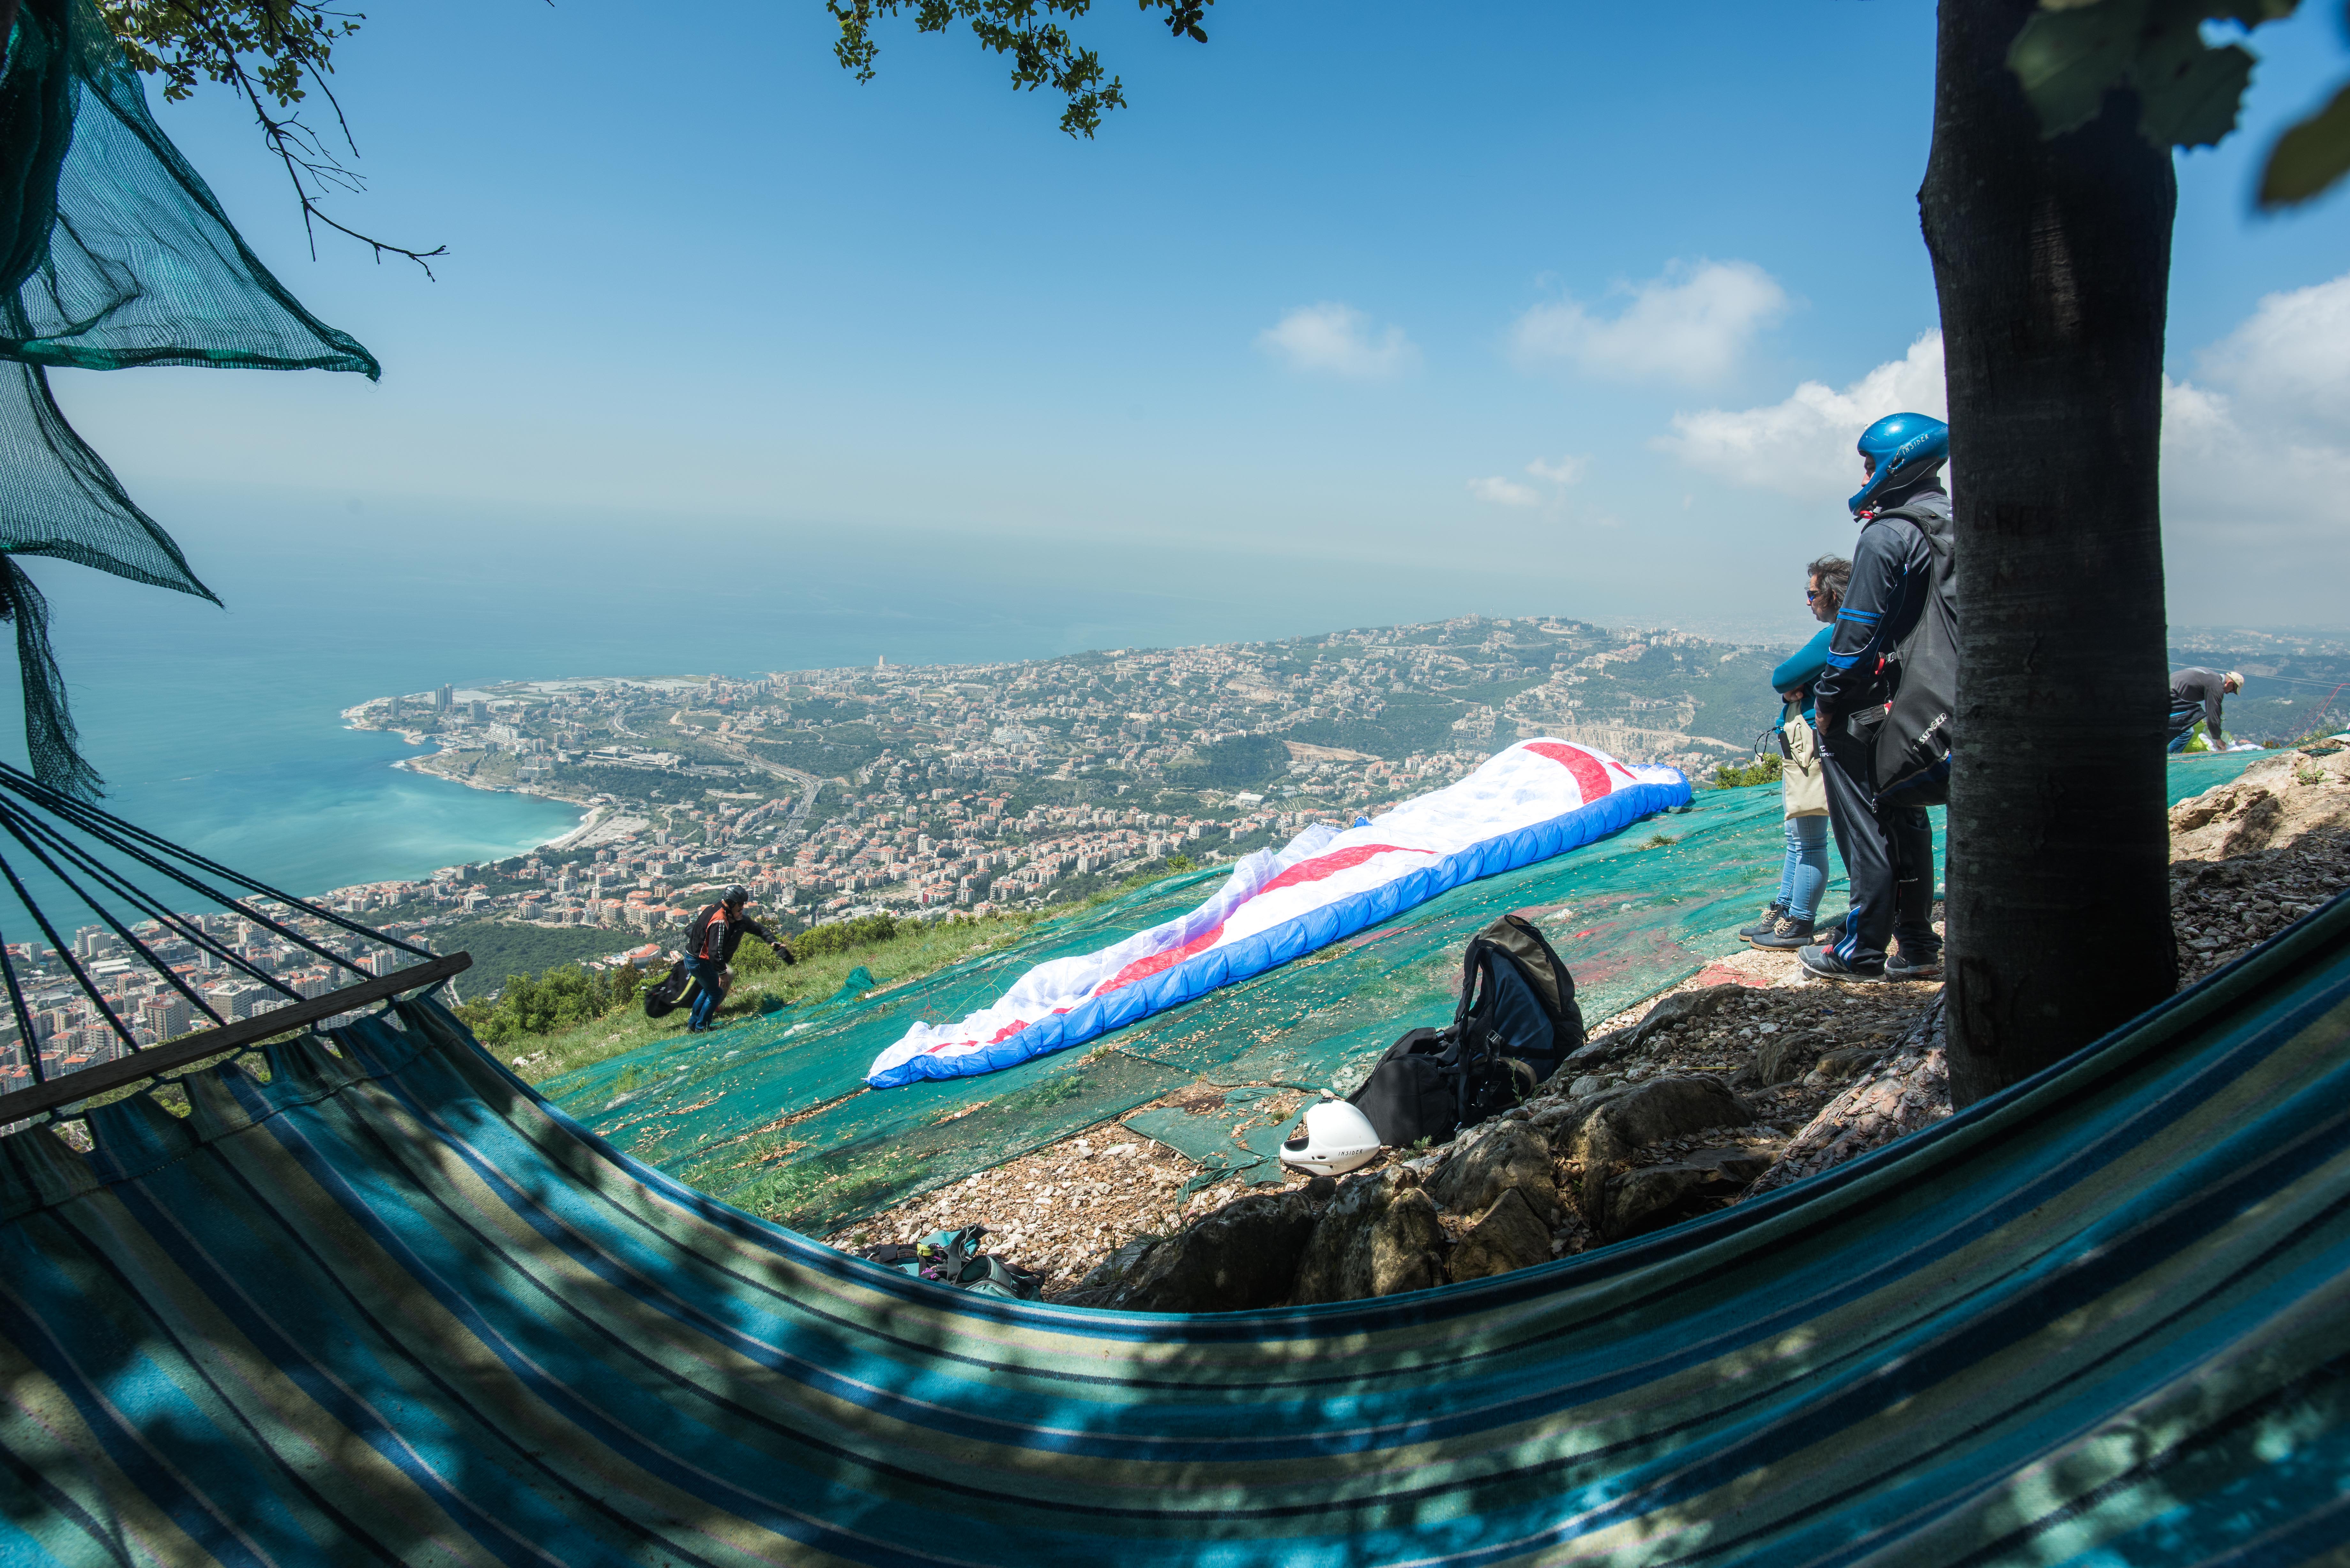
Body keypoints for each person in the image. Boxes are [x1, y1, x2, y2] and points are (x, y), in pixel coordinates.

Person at [1801, 412, 1951, 984]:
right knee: (1906, 814)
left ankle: (1860, 948)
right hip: (1942, 703)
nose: (1865, 476)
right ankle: (1916, 943)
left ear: (1896, 464)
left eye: (1869, 464)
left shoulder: (1889, 533)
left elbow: (1856, 633)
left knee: (1865, 822)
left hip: (1884, 704)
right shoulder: (1952, 521)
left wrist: (1828, 702)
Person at [1741, 554, 1850, 950]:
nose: (1808, 601)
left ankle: (1799, 920)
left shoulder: (1834, 634)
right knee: (1798, 834)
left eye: (1813, 594)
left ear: (1833, 595)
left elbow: (1782, 676)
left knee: (1808, 838)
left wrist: (1794, 689)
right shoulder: (1858, 632)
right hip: (1813, 743)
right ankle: (1785, 908)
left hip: (1811, 747)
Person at [682, 885, 794, 1033]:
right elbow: (714, 951)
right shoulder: (720, 920)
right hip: (702, 961)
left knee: (708, 990)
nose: (742, 908)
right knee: (716, 993)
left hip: (697, 959)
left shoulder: (722, 913)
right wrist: (722, 973)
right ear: (731, 904)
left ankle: (693, 1026)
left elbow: (759, 929)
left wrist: (773, 942)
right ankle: (702, 1027)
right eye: (740, 904)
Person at [2167, 667, 2243, 752]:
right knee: (2188, 729)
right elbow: (2213, 715)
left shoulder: (2208, 674)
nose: (2227, 693)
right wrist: (2218, 739)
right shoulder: (2216, 686)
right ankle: (2171, 757)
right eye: (2232, 690)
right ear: (2230, 683)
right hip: (2169, 696)